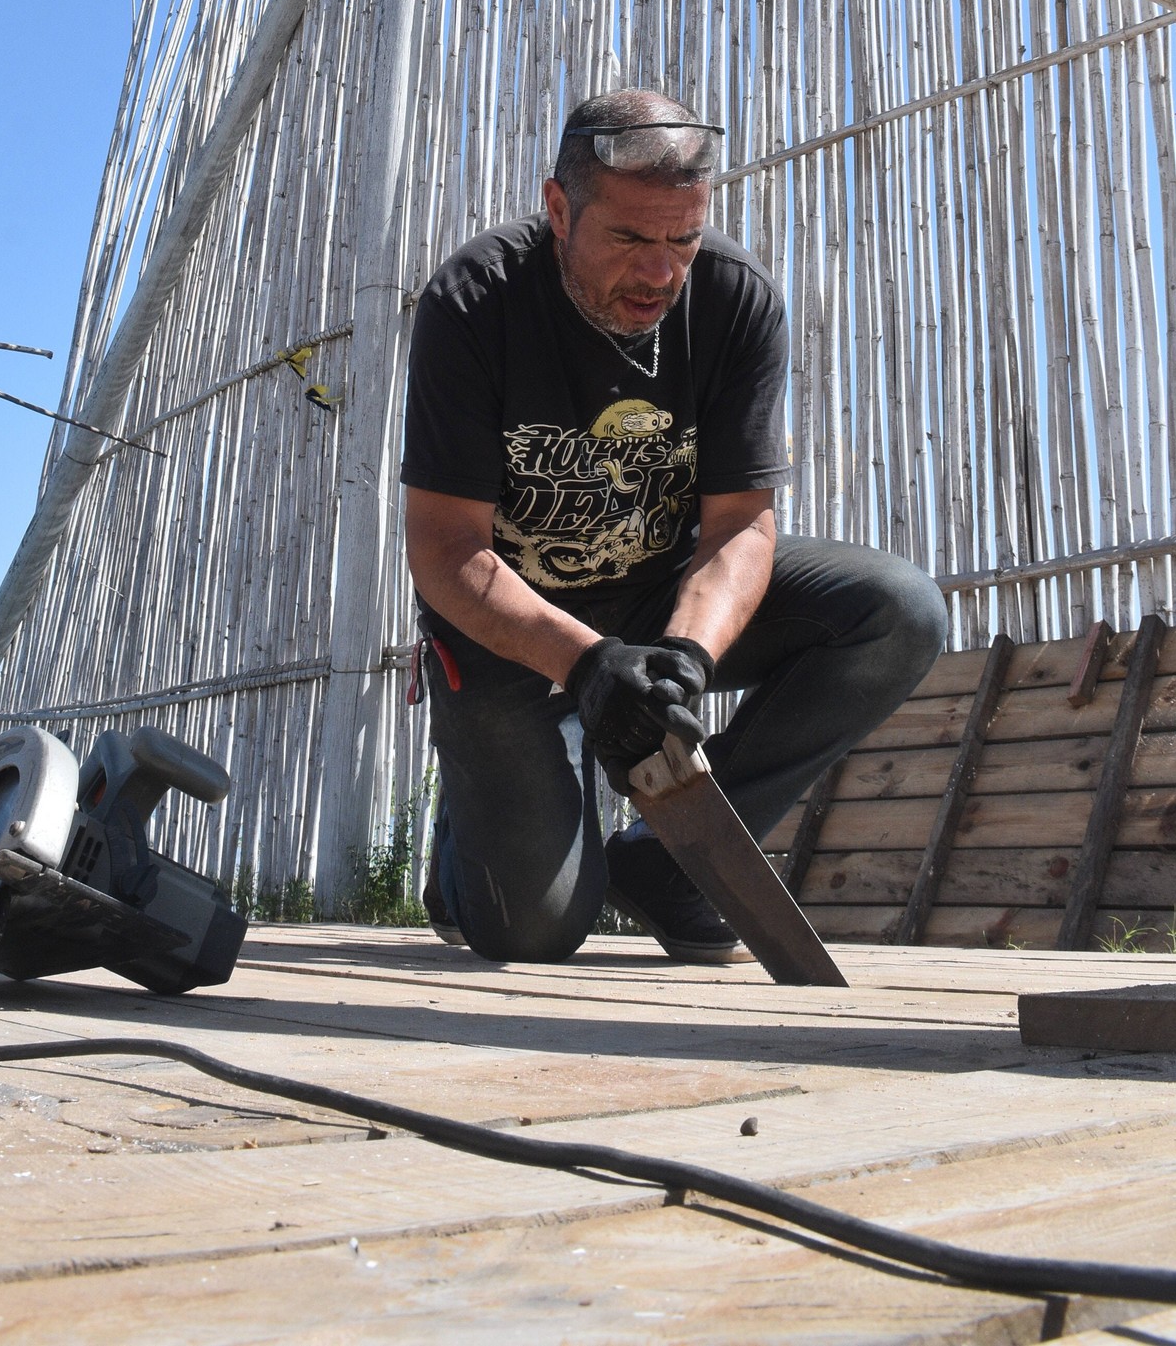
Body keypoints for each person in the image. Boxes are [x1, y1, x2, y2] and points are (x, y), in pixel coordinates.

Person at [400, 86, 947, 964]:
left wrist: (685, 658)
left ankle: (665, 868)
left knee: (898, 610)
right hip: (506, 629)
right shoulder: (475, 301)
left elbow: (740, 524)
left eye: (681, 240)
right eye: (627, 239)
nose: (659, 272)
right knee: (530, 935)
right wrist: (584, 666)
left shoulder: (735, 301)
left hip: (654, 599)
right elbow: (443, 548)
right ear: (556, 208)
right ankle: (473, 828)